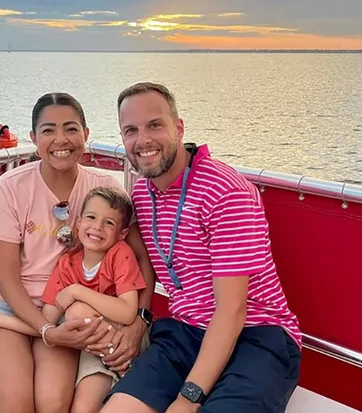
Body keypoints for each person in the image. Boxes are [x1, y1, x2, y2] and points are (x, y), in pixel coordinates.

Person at [101, 82, 302, 413]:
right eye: (130, 131)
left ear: (179, 128)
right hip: (185, 333)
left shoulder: (224, 192)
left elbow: (232, 309)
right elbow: (142, 261)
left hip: (257, 336)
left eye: (154, 125)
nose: (143, 140)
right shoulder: (142, 193)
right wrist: (140, 317)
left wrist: (187, 396)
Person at [0, 92, 156, 413]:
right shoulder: (10, 188)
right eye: (49, 130)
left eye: (71, 128)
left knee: (53, 402)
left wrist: (139, 321)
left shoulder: (104, 189)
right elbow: (7, 281)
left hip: (66, 311)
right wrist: (47, 331)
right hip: (4, 308)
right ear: (34, 138)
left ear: (86, 135)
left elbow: (140, 258)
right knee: (15, 402)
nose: (61, 139)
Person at [0, 186, 147, 412]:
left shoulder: (120, 254)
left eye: (109, 223)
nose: (97, 227)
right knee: (78, 407)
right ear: (77, 223)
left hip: (121, 340)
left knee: (76, 312)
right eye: (91, 218)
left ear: (122, 234)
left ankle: (127, 369)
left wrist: (77, 291)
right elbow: (44, 324)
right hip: (92, 351)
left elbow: (126, 312)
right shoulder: (67, 265)